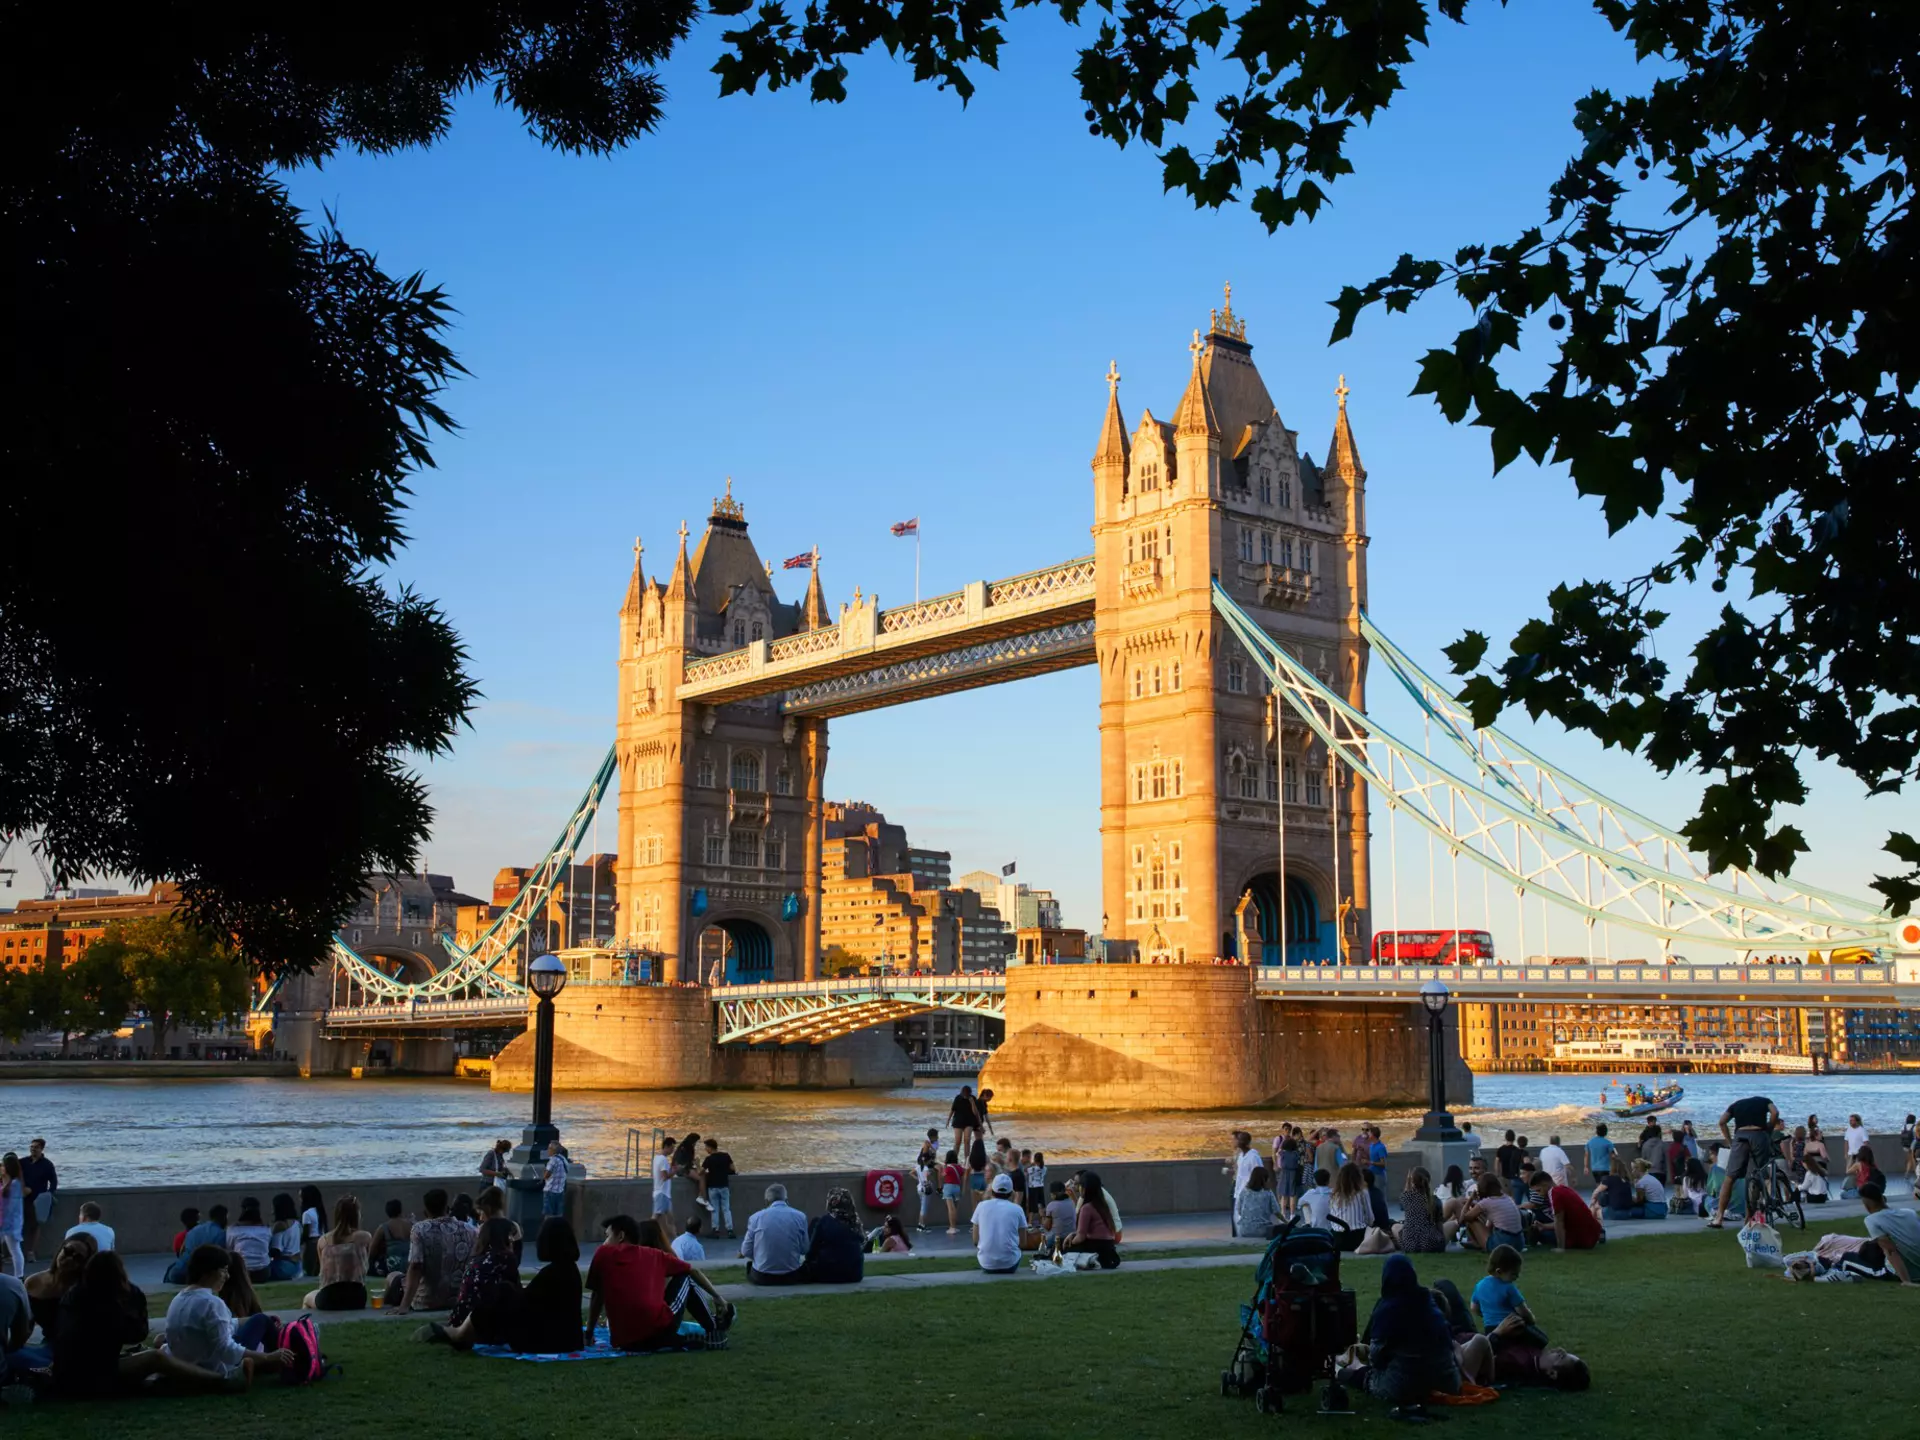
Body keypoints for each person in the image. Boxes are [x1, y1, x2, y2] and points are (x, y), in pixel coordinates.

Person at [54, 1250, 229, 1397]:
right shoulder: (100, 1301)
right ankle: (220, 1380)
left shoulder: (75, 1295)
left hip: (70, 1370)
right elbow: (136, 1334)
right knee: (155, 1358)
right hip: (90, 1375)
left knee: (151, 1357)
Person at [586, 1213, 730, 1348]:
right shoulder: (654, 1255)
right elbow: (693, 1271)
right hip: (655, 1329)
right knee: (686, 1277)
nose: (604, 1242)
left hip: (624, 1341)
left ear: (621, 1236)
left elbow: (597, 1296)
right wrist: (717, 1297)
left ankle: (673, 1340)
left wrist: (589, 1333)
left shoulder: (603, 1254)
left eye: (607, 1236)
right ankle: (714, 1329)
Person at [164, 1244, 294, 1382]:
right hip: (217, 1366)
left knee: (259, 1320)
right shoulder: (211, 1303)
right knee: (262, 1320)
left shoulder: (178, 1300)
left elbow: (218, 1325)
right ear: (209, 1272)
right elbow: (226, 1350)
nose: (227, 1276)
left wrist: (246, 1321)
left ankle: (286, 1356)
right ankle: (287, 1361)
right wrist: (268, 1357)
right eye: (224, 1270)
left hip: (190, 1361)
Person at [1350, 1255, 1460, 1412]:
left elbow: (1376, 1358)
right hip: (1447, 1381)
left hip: (1403, 1387)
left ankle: (1340, 1369)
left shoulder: (1388, 1310)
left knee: (1352, 1373)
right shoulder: (1430, 1304)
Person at [421, 1218, 523, 1349]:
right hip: (482, 1323)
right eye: (511, 1236)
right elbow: (517, 1294)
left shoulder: (477, 1259)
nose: (512, 1240)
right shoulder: (505, 1258)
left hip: (460, 1319)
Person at [388, 1187, 476, 1314]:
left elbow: (415, 1267)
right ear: (447, 1208)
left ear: (425, 1211)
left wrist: (404, 1306)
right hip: (458, 1299)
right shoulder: (470, 1230)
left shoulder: (420, 1229)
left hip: (425, 1302)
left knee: (393, 1276)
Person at [511, 1217, 585, 1354]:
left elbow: (522, 1304)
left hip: (550, 1342)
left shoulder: (551, 1273)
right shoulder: (570, 1270)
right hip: (570, 1340)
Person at [1710, 1093, 1781, 1228]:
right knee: (1758, 1175)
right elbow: (1775, 1112)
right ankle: (1749, 1218)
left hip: (1740, 1137)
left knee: (1729, 1177)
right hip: (1759, 1135)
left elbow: (1722, 1122)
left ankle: (1719, 1217)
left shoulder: (1736, 1104)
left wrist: (1730, 1141)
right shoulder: (1765, 1101)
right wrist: (1769, 1128)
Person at [1839, 1181, 1920, 1283]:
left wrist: (1906, 1281)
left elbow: (1891, 1251)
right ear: (1883, 1198)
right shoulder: (1910, 1213)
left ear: (1866, 1204)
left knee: (1847, 1258)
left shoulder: (1872, 1220)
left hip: (1905, 1273)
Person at [303, 1195, 372, 1310]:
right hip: (357, 1297)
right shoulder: (364, 1237)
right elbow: (364, 1265)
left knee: (307, 1299)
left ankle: (307, 1327)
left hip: (329, 1297)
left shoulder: (323, 1241)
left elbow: (323, 1272)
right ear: (356, 1215)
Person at [25, 1233, 93, 1342]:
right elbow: (26, 1325)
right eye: (68, 1251)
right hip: (50, 1343)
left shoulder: (85, 1289)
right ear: (61, 1249)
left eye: (78, 1258)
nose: (70, 1259)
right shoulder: (33, 1282)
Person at [740, 1182, 809, 1285]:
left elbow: (745, 1251)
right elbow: (805, 1249)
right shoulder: (800, 1216)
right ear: (786, 1199)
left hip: (762, 1277)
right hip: (791, 1275)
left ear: (766, 1201)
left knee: (750, 1266)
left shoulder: (755, 1218)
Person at [1469, 1245, 1536, 1341]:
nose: (1517, 1277)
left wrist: (1487, 1315)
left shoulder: (1480, 1285)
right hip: (1511, 1327)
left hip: (1490, 1330)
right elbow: (1523, 1311)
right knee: (1541, 1339)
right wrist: (1532, 1320)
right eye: (1513, 1274)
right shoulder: (1508, 1288)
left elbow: (1474, 1308)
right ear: (1499, 1271)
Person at [1057, 1171, 1120, 1269]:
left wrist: (1070, 1243)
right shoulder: (1102, 1205)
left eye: (1080, 1185)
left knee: (1060, 1243)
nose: (1078, 1188)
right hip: (1108, 1247)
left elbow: (1081, 1237)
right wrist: (1073, 1235)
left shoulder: (1087, 1208)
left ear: (1085, 1188)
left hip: (1095, 1246)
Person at [803, 1188, 864, 1285]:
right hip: (854, 1274)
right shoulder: (855, 1222)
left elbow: (812, 1251)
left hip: (829, 1274)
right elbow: (861, 1242)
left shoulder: (825, 1221)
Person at [972, 1172, 1026, 1274]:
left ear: (992, 1190)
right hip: (1010, 1264)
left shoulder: (981, 1206)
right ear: (1011, 1192)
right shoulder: (1018, 1209)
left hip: (986, 1263)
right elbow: (1023, 1243)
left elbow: (975, 1241)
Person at [1394, 1168, 1454, 1253]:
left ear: (1412, 1182)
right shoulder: (1435, 1200)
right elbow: (1439, 1224)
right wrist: (1441, 1241)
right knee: (1453, 1223)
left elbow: (1406, 1193)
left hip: (1410, 1245)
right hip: (1430, 1243)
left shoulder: (1406, 1197)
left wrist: (1408, 1181)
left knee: (1395, 1227)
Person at [1462, 1172, 1525, 1252]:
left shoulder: (1487, 1202)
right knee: (1490, 1221)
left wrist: (1470, 1199)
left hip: (1502, 1243)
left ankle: (1477, 1244)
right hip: (1519, 1243)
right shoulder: (1507, 1198)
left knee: (1472, 1221)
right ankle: (1480, 1243)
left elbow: (1465, 1217)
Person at [19, 1139, 55, 1266]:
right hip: (22, 1198)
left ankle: (30, 1252)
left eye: (36, 1147)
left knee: (35, 1226)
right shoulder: (23, 1162)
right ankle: (16, 1253)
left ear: (42, 1149)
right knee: (20, 1225)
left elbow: (53, 1182)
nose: (33, 1149)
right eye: (31, 1146)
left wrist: (47, 1195)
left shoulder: (47, 1164)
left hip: (38, 1199)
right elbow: (12, 1173)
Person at [1327, 1163, 1374, 1252]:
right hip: (1358, 1238)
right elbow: (1370, 1219)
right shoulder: (1363, 1193)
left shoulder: (1333, 1195)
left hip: (1338, 1239)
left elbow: (1332, 1221)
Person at [225, 1197, 274, 1280]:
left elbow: (229, 1249)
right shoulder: (266, 1229)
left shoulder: (233, 1229)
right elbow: (268, 1248)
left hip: (240, 1272)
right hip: (262, 1273)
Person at [700, 1136, 736, 1238]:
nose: (705, 1149)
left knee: (715, 1209)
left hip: (713, 1187)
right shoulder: (726, 1156)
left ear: (710, 1148)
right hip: (724, 1185)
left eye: (706, 1147)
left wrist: (697, 1164)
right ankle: (730, 1230)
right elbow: (733, 1169)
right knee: (726, 1209)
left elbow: (701, 1172)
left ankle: (715, 1231)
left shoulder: (708, 1159)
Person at [1229, 1132, 1262, 1236]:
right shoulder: (1241, 1157)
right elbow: (1240, 1176)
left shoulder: (1253, 1157)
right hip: (1239, 1194)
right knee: (1237, 1219)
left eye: (1240, 1139)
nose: (1237, 1141)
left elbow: (1260, 1174)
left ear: (1246, 1142)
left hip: (1249, 1194)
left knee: (1246, 1220)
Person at [369, 1198, 411, 1277]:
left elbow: (371, 1251)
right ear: (400, 1210)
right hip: (410, 1265)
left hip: (393, 1266)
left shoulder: (383, 1228)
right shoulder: (410, 1225)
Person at [266, 1192, 303, 1281]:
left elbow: (276, 1251)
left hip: (282, 1267)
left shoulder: (280, 1225)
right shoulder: (297, 1224)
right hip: (297, 1266)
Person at [1236, 1166, 1279, 1241]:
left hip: (1244, 1230)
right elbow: (1277, 1211)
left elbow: (1239, 1210)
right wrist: (1286, 1222)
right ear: (1264, 1179)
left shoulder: (1244, 1191)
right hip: (1262, 1230)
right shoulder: (1268, 1192)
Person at [0, 1153, 23, 1278]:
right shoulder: (7, 1182)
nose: (1, 1167)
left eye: (3, 1165)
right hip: (5, 1221)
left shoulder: (14, 1184)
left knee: (14, 1249)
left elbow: (11, 1206)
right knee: (13, 1249)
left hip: (9, 1222)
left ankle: (19, 1275)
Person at [949, 1084, 982, 1163]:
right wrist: (948, 1120)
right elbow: (952, 1110)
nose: (965, 1096)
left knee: (967, 1141)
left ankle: (967, 1161)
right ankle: (953, 1160)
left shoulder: (973, 1098)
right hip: (958, 1121)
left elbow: (975, 1112)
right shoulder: (958, 1098)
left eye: (967, 1095)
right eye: (964, 1095)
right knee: (958, 1141)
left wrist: (972, 1102)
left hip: (969, 1121)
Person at [298, 1184, 326, 1277]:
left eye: (300, 1197)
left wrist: (299, 1243)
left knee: (309, 1269)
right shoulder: (319, 1211)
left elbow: (307, 1232)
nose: (300, 1200)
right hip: (321, 1241)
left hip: (311, 1244)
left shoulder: (306, 1214)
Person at [540, 1139, 569, 1219]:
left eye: (549, 1148)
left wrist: (544, 1173)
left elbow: (546, 1175)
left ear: (553, 1150)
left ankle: (548, 1230)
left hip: (550, 1191)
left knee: (548, 1215)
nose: (547, 1150)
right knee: (558, 1215)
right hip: (560, 1190)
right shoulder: (563, 1159)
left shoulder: (553, 1160)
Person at [1042, 1181, 1076, 1247]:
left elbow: (1047, 1227)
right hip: (1072, 1237)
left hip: (1057, 1239)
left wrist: (1043, 1216)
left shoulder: (1051, 1205)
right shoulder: (1072, 1202)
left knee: (1043, 1236)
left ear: (1053, 1194)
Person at [1494, 1130, 1523, 1203]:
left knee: (1506, 1198)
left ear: (1505, 1138)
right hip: (1515, 1177)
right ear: (1514, 1138)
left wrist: (1497, 1175)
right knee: (1515, 1199)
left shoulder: (1500, 1149)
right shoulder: (1517, 1150)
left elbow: (1497, 1163)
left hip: (1504, 1177)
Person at [651, 1135, 674, 1218]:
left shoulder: (656, 1158)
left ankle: (670, 1231)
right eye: (671, 1148)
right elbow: (665, 1177)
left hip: (662, 1193)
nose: (672, 1151)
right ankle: (647, 1229)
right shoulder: (663, 1159)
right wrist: (675, 1171)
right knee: (656, 1217)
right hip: (662, 1193)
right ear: (666, 1146)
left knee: (668, 1219)